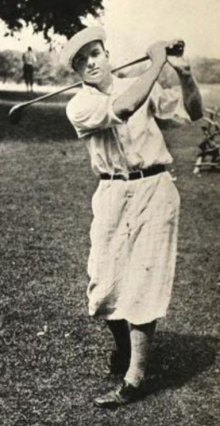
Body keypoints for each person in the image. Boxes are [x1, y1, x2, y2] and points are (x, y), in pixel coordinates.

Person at [61, 26, 203, 408]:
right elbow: (122, 108)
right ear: (76, 72)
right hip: (111, 193)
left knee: (143, 282)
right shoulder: (79, 105)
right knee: (104, 285)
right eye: (81, 60)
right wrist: (156, 63)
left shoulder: (139, 83)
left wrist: (184, 73)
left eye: (95, 53)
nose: (90, 62)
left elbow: (193, 111)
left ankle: (135, 378)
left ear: (107, 55)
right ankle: (124, 348)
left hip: (155, 189)